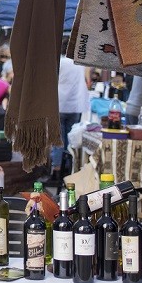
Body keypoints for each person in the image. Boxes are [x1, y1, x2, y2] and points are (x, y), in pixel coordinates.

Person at [51, 41, 89, 180]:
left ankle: (56, 169)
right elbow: (86, 81)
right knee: (71, 138)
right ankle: (69, 167)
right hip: (76, 105)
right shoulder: (79, 64)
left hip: (59, 104)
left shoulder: (59, 62)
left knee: (57, 139)